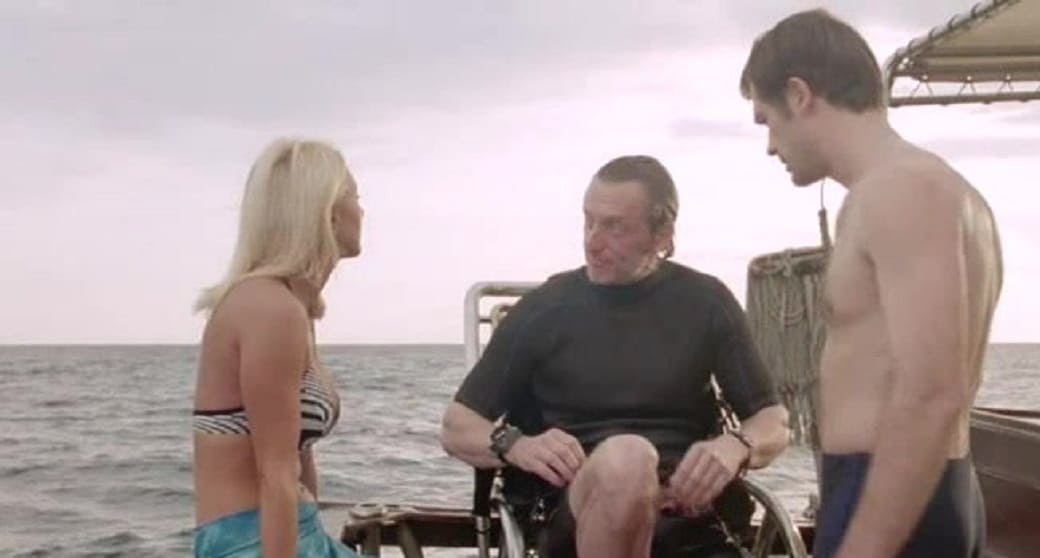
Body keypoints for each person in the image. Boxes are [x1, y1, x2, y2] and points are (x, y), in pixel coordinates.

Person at [740, 9, 1003, 558]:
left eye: (767, 120)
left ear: (799, 95)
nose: (769, 146)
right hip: (922, 488)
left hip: (893, 496)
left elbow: (932, 392)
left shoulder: (900, 191)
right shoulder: (942, 191)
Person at [440, 155, 791, 558]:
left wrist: (737, 445)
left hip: (687, 516)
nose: (592, 241)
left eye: (614, 227)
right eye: (588, 221)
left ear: (663, 234)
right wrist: (514, 444)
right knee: (628, 459)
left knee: (634, 460)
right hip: (574, 509)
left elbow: (773, 421)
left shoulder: (706, 302)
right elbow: (457, 426)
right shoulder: (544, 310)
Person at [191, 138, 366, 557]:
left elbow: (299, 457)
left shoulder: (295, 307)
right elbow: (276, 473)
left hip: (297, 532)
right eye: (355, 197)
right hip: (246, 542)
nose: (362, 211)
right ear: (328, 213)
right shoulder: (270, 308)